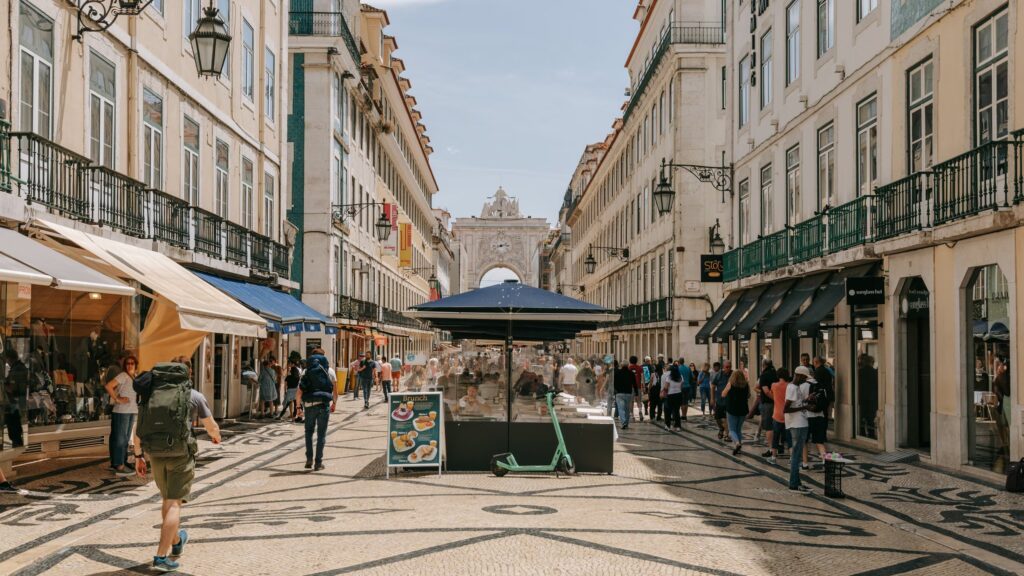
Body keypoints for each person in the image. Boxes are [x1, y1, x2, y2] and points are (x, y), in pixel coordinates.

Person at [134, 361, 221, 572]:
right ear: (188, 374)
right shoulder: (194, 396)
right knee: (174, 503)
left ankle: (175, 542)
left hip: (155, 453)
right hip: (180, 454)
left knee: (167, 499)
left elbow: (139, 429)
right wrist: (216, 436)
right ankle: (161, 557)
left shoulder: (150, 393)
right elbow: (210, 426)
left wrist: (138, 456)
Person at [297, 348, 338, 471]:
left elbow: (299, 392)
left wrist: (298, 408)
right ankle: (318, 463)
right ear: (323, 357)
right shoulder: (329, 370)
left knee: (308, 432)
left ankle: (309, 458)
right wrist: (334, 403)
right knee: (321, 434)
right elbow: (335, 391)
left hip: (309, 405)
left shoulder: (306, 371)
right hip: (323, 405)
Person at [104, 354, 139, 476]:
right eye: (127, 363)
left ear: (135, 365)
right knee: (120, 439)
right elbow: (108, 386)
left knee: (124, 439)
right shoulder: (123, 375)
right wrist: (117, 399)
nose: (130, 365)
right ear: (124, 365)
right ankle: (119, 465)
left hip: (130, 411)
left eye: (132, 363)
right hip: (121, 411)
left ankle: (120, 461)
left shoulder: (135, 377)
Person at [784, 366, 813, 493]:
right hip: (797, 424)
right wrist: (804, 407)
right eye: (805, 377)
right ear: (800, 376)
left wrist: (806, 400)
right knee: (796, 455)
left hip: (800, 423)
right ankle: (793, 484)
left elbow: (796, 403)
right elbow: (786, 409)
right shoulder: (792, 388)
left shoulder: (795, 388)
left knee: (797, 455)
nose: (806, 380)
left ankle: (797, 482)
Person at [721, 369, 751, 455]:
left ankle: (737, 444)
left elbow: (723, 394)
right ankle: (739, 448)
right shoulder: (746, 385)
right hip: (743, 410)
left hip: (732, 409)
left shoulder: (731, 384)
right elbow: (748, 395)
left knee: (731, 430)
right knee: (738, 430)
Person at [3, 349, 28, 448]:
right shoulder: (21, 367)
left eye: (6, 359)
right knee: (16, 424)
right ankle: (17, 442)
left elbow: (12, 388)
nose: (6, 361)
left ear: (9, 358)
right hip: (19, 401)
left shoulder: (16, 370)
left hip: (14, 402)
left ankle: (17, 444)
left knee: (13, 424)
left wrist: (3, 385)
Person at [769, 368, 792, 464]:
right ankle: (792, 458)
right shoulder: (790, 386)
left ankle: (773, 457)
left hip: (777, 415)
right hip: (788, 415)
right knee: (789, 438)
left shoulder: (774, 385)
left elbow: (772, 395)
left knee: (775, 437)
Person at [757, 359, 777, 458]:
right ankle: (778, 447)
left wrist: (775, 399)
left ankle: (771, 450)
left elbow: (766, 391)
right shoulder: (775, 373)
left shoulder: (764, 375)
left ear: (764, 365)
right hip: (778, 405)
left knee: (769, 427)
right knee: (777, 426)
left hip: (768, 404)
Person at [278, 353, 302, 421]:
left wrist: (285, 391)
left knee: (286, 405)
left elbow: (285, 385)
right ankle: (294, 417)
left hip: (289, 391)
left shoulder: (288, 377)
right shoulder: (298, 377)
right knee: (296, 405)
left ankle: (280, 416)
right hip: (296, 391)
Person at [613, 360, 636, 429]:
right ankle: (626, 423)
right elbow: (634, 383)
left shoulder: (617, 373)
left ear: (621, 365)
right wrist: (636, 393)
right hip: (628, 393)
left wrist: (615, 390)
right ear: (628, 365)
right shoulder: (631, 373)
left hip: (619, 393)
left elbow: (614, 382)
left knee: (621, 409)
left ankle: (624, 423)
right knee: (627, 409)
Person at [711, 361, 731, 441]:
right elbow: (712, 386)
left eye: (729, 367)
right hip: (719, 400)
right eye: (726, 367)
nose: (728, 369)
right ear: (723, 367)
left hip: (729, 401)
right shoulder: (719, 375)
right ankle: (721, 428)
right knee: (718, 418)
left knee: (725, 418)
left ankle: (727, 435)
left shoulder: (733, 375)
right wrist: (712, 398)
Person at [662, 363, 684, 431]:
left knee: (668, 411)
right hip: (678, 394)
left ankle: (668, 426)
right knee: (676, 411)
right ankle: (678, 426)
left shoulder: (669, 377)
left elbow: (666, 387)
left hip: (670, 395)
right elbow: (681, 386)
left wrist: (664, 394)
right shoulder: (681, 377)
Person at [626, 356, 643, 423]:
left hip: (631, 387)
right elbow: (642, 377)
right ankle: (640, 411)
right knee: (639, 400)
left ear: (630, 361)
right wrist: (643, 386)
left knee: (631, 401)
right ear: (636, 361)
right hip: (638, 386)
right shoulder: (640, 368)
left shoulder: (628, 368)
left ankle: (632, 415)